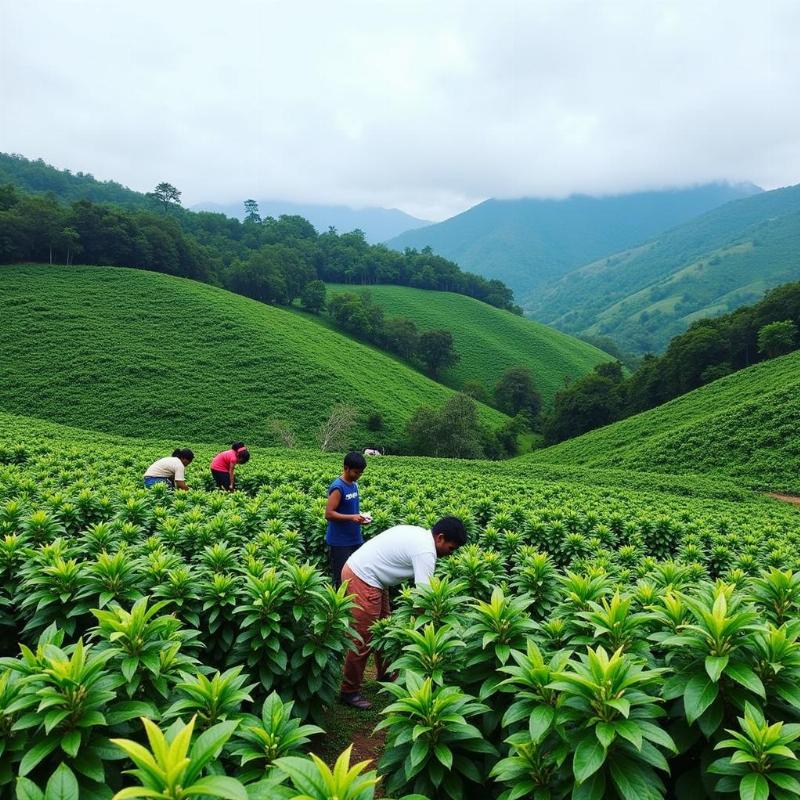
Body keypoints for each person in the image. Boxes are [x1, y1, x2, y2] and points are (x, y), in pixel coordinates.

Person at [339, 516, 467, 709]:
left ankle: (385, 674)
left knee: (384, 629)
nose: (451, 554)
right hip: (363, 576)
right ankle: (349, 691)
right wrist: (422, 633)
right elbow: (422, 598)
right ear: (440, 538)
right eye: (451, 548)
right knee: (364, 637)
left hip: (372, 577)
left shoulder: (421, 537)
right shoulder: (426, 551)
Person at [325, 451, 370, 588]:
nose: (358, 476)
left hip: (355, 538)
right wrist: (352, 517)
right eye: (356, 473)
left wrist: (360, 517)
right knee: (341, 578)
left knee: (356, 575)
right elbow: (329, 514)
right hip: (340, 542)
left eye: (361, 473)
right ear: (346, 468)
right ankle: (339, 607)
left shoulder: (354, 485)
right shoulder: (338, 487)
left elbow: (350, 510)